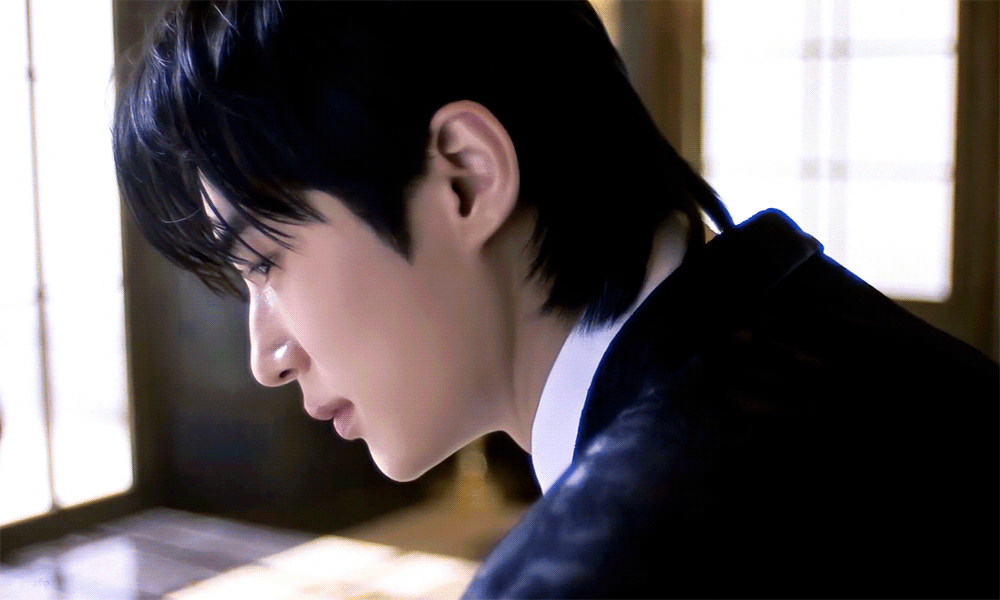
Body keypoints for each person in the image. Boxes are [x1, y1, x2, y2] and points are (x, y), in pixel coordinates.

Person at [113, 1, 998, 597]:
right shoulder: (845, 336)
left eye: (266, 261)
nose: (266, 357)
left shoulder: (596, 568)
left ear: (465, 178)